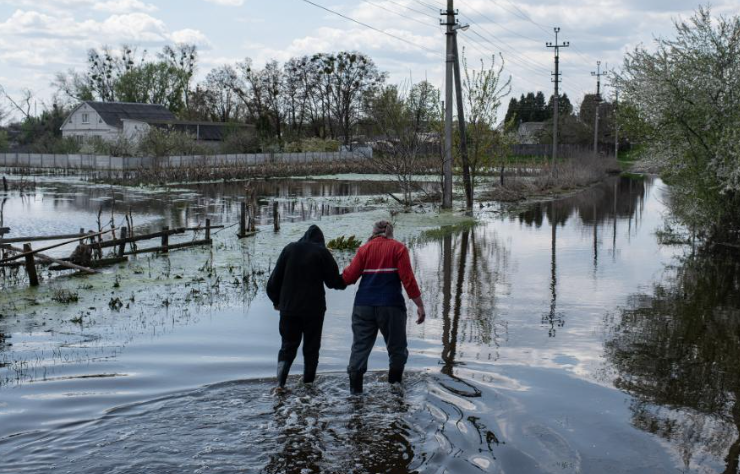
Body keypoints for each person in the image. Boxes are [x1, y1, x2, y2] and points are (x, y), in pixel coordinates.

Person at [342, 220, 425, 394]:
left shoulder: (363, 249)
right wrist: (419, 305)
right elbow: (408, 280)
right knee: (397, 350)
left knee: (359, 349)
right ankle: (395, 391)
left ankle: (355, 394)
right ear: (390, 232)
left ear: (373, 232)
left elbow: (349, 277)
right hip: (391, 306)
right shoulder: (398, 248)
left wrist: (329, 277)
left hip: (363, 306)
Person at [266, 225, 346, 389]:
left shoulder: (289, 249)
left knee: (287, 347)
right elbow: (333, 282)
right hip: (314, 310)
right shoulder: (321, 252)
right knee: (311, 349)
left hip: (289, 309)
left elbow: (273, 282)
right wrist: (348, 279)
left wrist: (276, 302)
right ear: (320, 241)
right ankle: (308, 387)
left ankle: (280, 385)